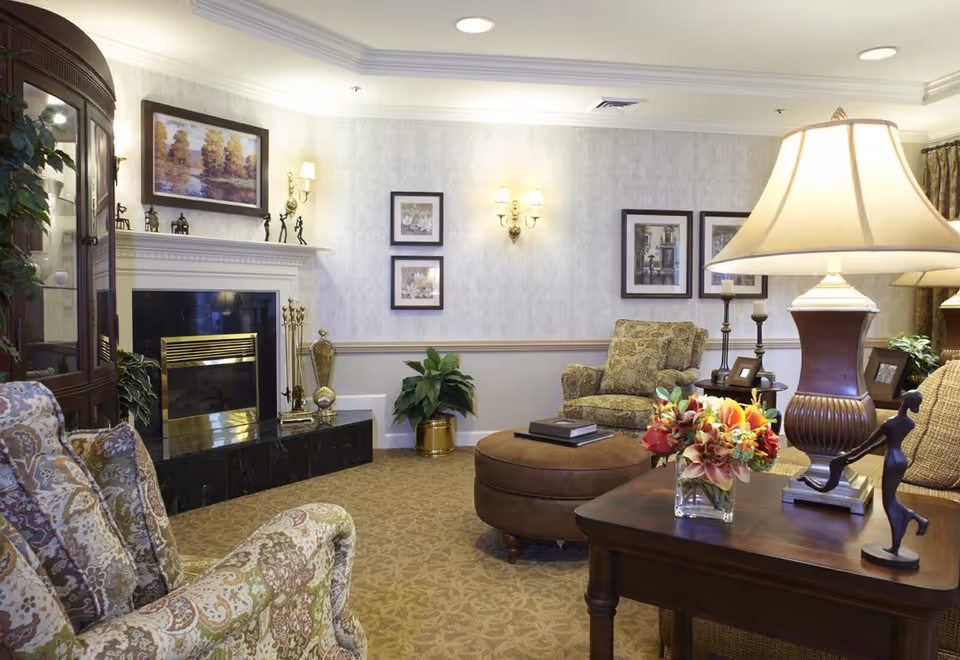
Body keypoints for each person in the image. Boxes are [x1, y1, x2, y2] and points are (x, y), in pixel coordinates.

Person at [801, 390, 928, 556]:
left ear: (904, 401)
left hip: (891, 460)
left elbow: (868, 444)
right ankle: (904, 535)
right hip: (901, 460)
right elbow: (882, 443)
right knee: (891, 500)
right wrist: (854, 458)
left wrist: (849, 455)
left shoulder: (889, 423)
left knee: (889, 503)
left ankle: (912, 523)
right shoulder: (909, 423)